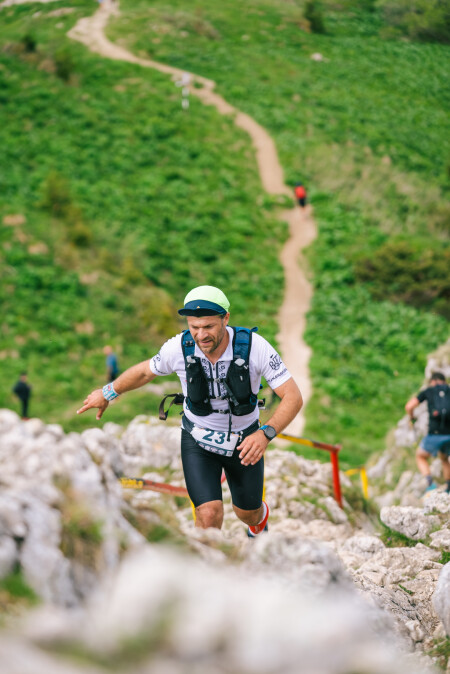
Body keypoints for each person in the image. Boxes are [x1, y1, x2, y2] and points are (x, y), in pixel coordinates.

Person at [78, 286, 303, 534]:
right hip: (198, 439)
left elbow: (292, 396)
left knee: (248, 513)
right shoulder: (179, 347)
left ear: (225, 318)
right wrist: (107, 393)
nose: (201, 335)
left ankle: (259, 523)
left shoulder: (254, 347)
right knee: (208, 514)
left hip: (245, 440)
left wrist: (265, 434)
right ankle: (209, 569)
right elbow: (144, 372)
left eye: (208, 327)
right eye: (194, 327)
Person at [405, 372, 450, 494]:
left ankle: (430, 483)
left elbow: (409, 406)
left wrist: (412, 417)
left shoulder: (428, 391)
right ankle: (449, 488)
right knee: (444, 458)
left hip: (434, 434)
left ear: (433, 381)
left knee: (420, 456)